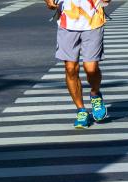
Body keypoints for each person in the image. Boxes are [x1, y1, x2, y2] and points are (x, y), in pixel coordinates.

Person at [44, 0, 110, 129]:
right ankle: (81, 111)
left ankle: (95, 94)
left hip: (93, 21)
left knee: (91, 68)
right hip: (67, 22)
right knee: (70, 69)